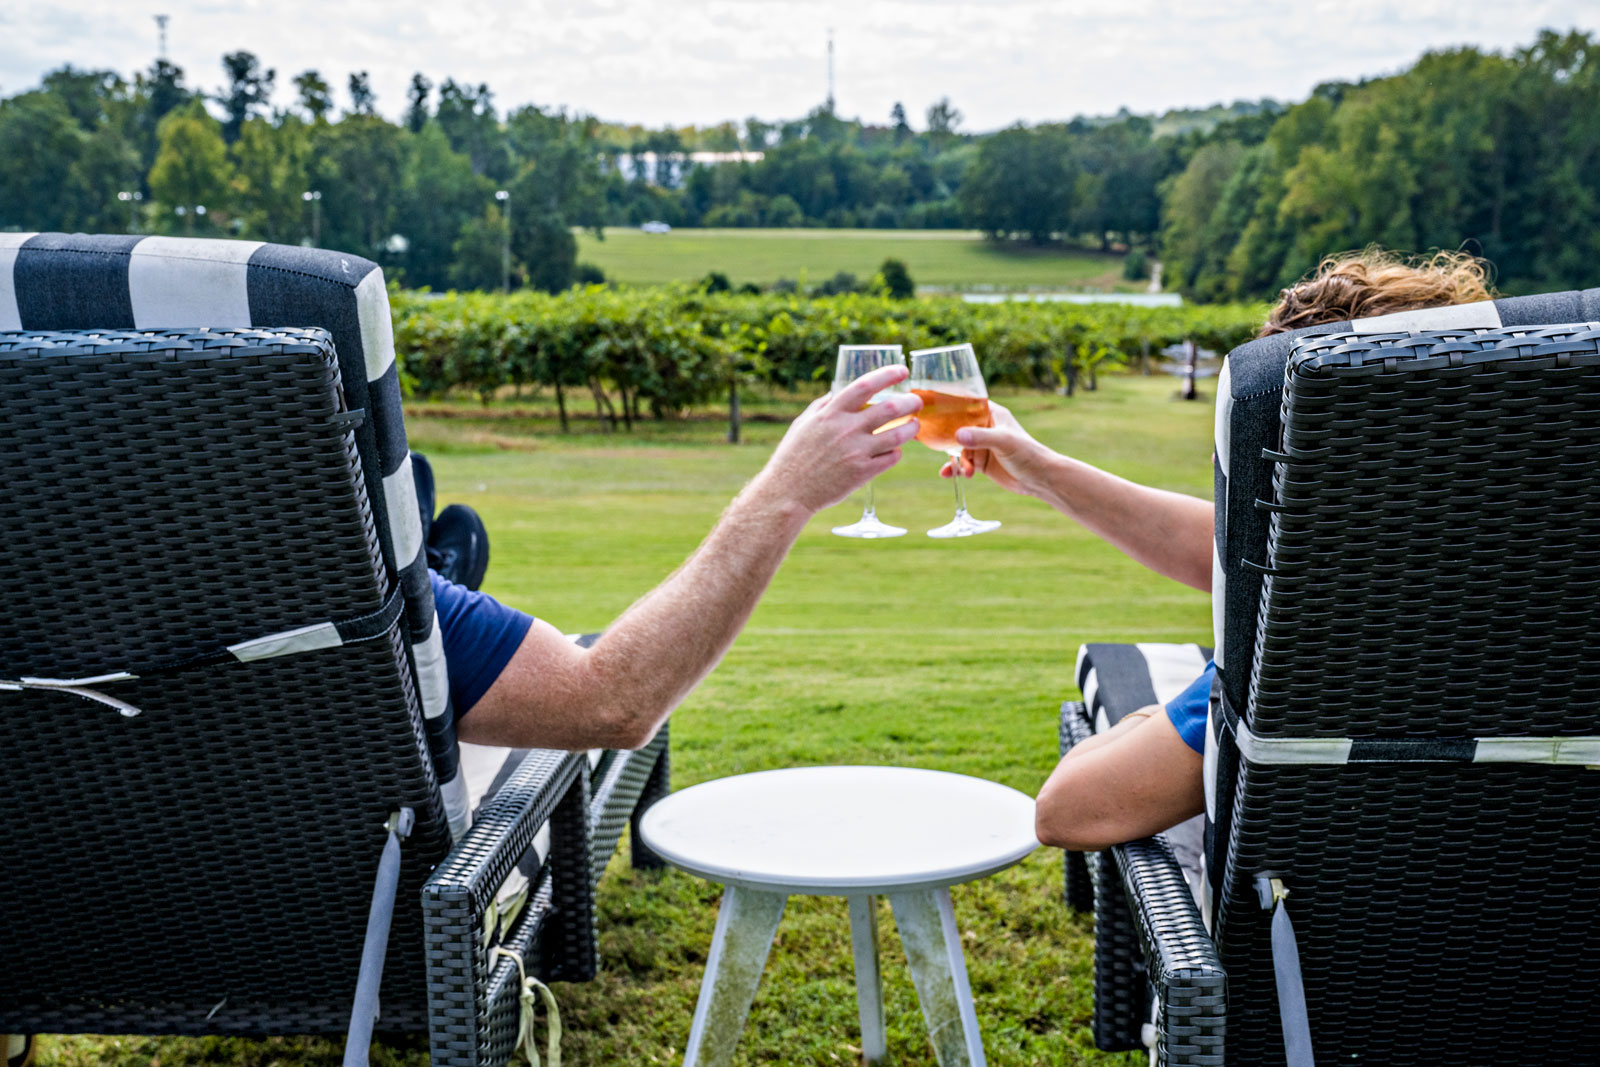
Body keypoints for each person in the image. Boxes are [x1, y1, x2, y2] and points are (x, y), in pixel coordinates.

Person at [939, 249, 1494, 851]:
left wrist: (1156, 716)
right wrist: (1042, 472)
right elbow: (1232, 556)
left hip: (1312, 934)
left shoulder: (1305, 652)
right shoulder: (1528, 582)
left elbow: (1067, 811)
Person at [433, 364, 922, 752]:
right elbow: (610, 704)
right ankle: (426, 568)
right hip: (399, 851)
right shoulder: (382, 596)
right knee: (424, 608)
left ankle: (429, 564)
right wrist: (788, 488)